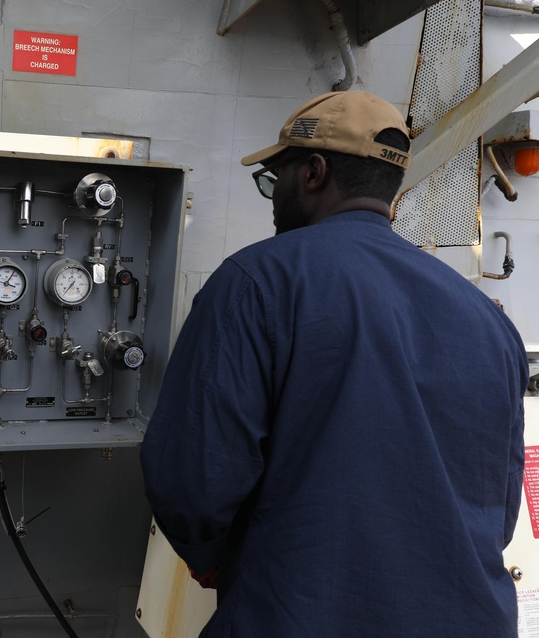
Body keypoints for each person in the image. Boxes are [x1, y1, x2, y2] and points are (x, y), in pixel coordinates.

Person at [141, 90, 529, 637]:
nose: (273, 198)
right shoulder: (487, 318)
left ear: (314, 173)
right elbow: (500, 505)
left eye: (274, 180)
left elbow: (194, 476)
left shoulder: (258, 282)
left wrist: (211, 560)